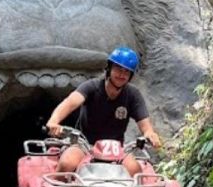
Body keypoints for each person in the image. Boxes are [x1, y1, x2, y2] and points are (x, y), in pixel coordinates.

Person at [46, 46, 162, 176]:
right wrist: (54, 121)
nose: (122, 74)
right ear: (109, 68)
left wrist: (150, 134)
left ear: (130, 76)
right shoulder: (91, 87)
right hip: (84, 145)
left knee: (135, 170)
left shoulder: (133, 95)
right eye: (118, 69)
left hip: (115, 149)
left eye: (127, 72)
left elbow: (145, 125)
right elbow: (69, 103)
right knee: (67, 163)